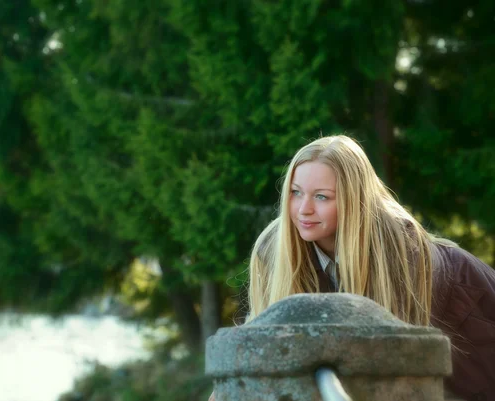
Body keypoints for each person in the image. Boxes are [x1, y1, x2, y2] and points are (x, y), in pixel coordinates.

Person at [209, 135, 495, 401]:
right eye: (296, 193)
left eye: (321, 197)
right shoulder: (274, 248)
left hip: (476, 332)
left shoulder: (402, 251)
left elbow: (395, 368)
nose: (303, 209)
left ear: (353, 200)